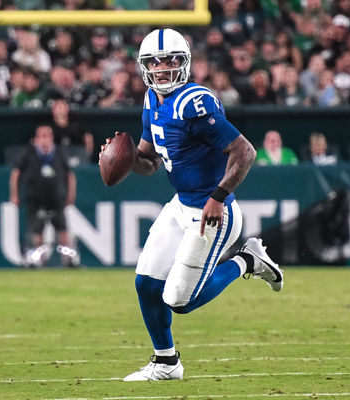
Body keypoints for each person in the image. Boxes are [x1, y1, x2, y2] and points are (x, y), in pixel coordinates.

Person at [99, 28, 284, 382]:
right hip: (181, 204)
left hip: (212, 210)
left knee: (180, 301)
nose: (163, 68)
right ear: (144, 67)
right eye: (155, 62)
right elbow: (149, 161)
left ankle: (247, 260)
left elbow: (245, 152)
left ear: (185, 64)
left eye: (171, 60)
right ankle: (166, 363)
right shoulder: (152, 100)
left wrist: (218, 196)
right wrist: (118, 159)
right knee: (146, 283)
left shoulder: (194, 102)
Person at [9, 125, 78, 268]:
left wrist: (71, 193)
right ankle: (39, 260)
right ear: (36, 139)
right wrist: (14, 194)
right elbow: (16, 173)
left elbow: (70, 175)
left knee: (62, 228)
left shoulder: (58, 152)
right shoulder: (29, 153)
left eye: (47, 135)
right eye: (41, 135)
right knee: (37, 230)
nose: (44, 139)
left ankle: (68, 260)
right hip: (35, 198)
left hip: (56, 197)